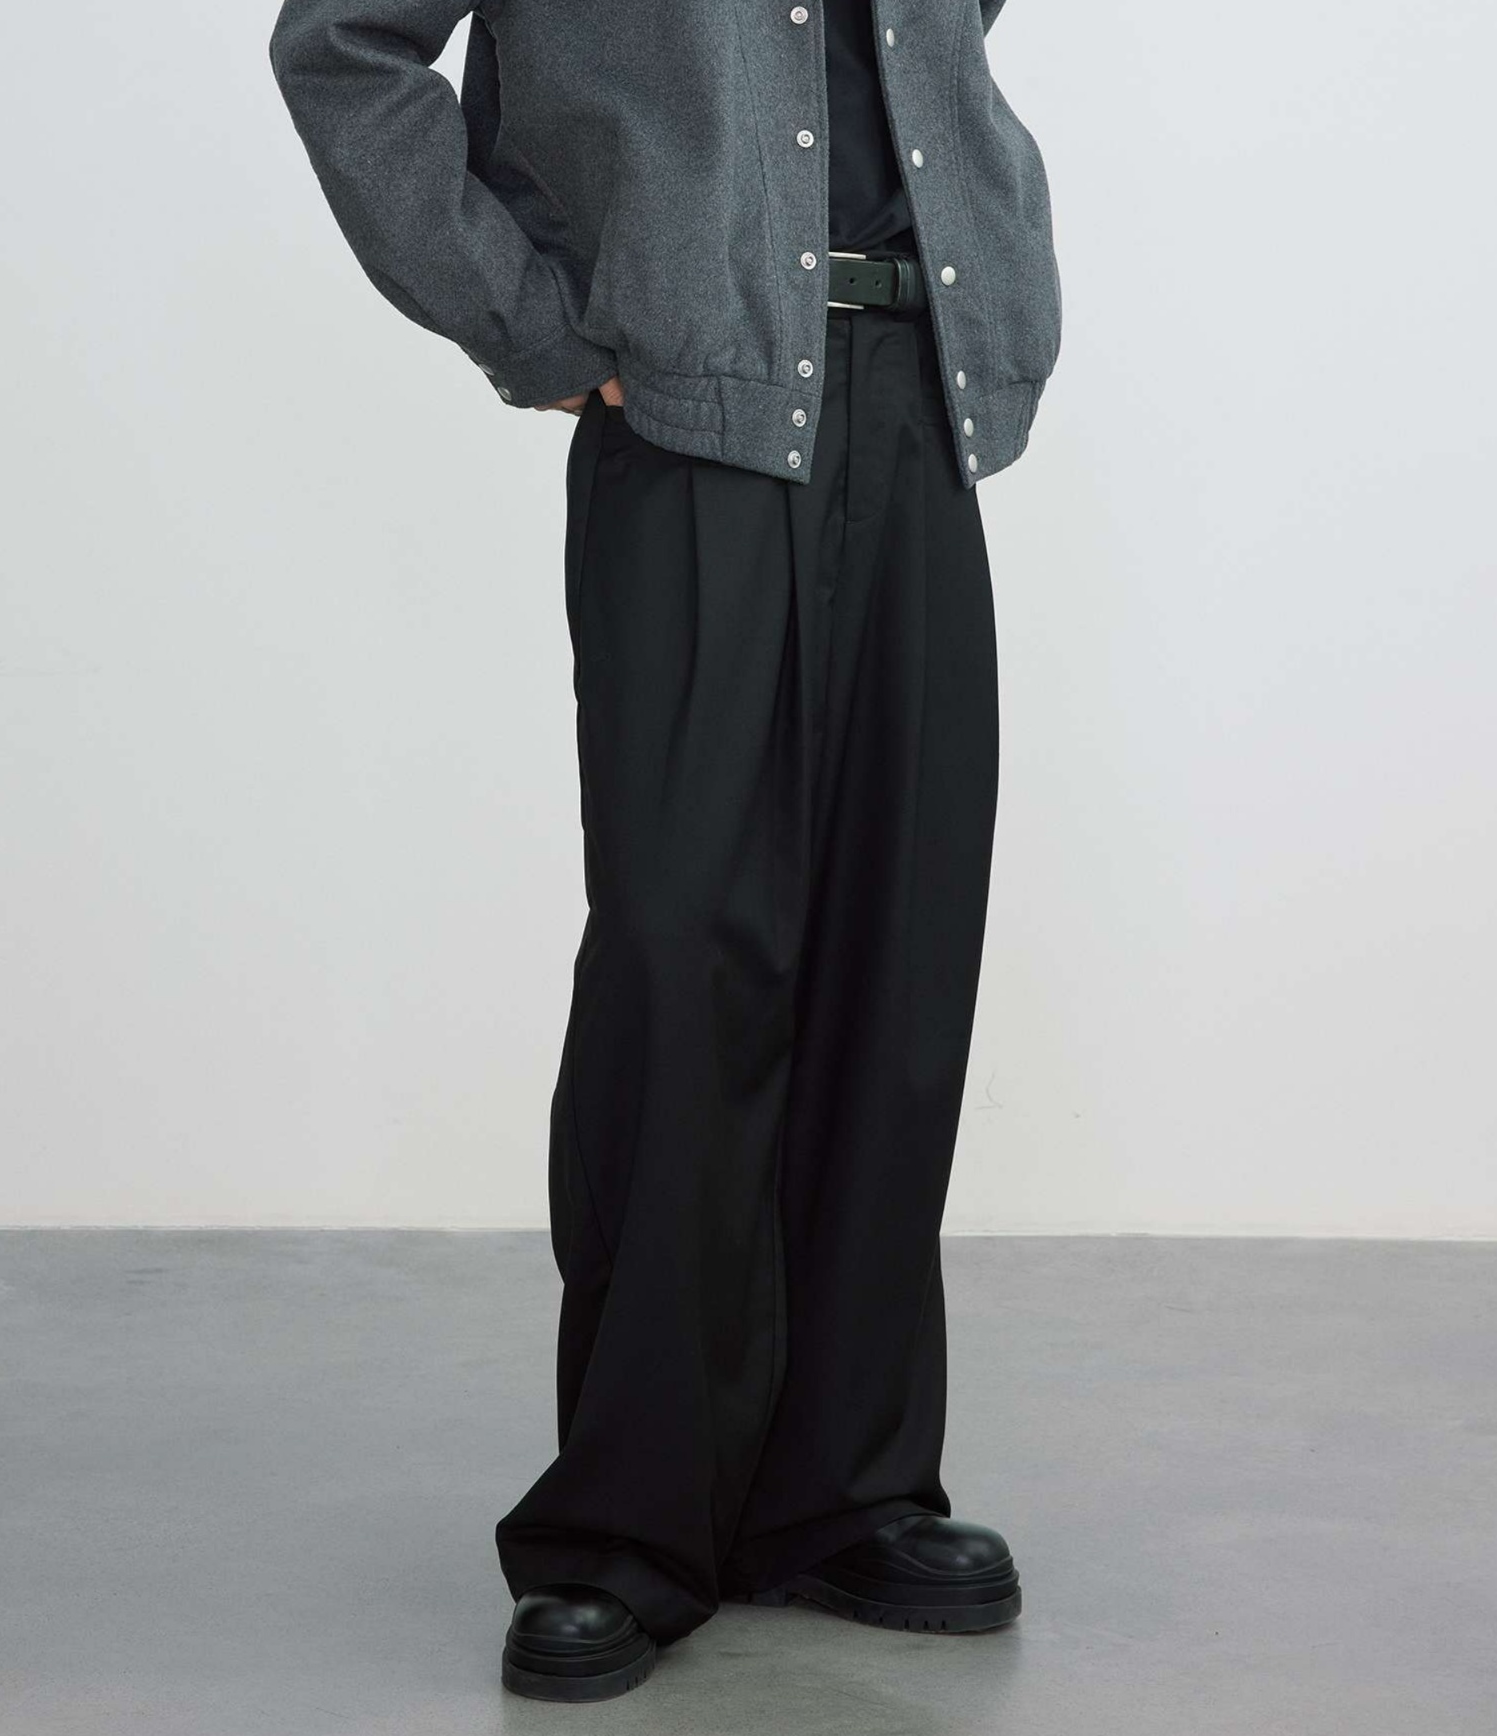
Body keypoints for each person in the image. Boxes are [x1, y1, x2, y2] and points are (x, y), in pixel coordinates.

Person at [268, 0, 1062, 1702]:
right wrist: (528, 319)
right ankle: (626, 1526)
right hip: (690, 412)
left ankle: (844, 1490)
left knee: (897, 956)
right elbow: (343, 46)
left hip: (922, 387)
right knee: (680, 958)